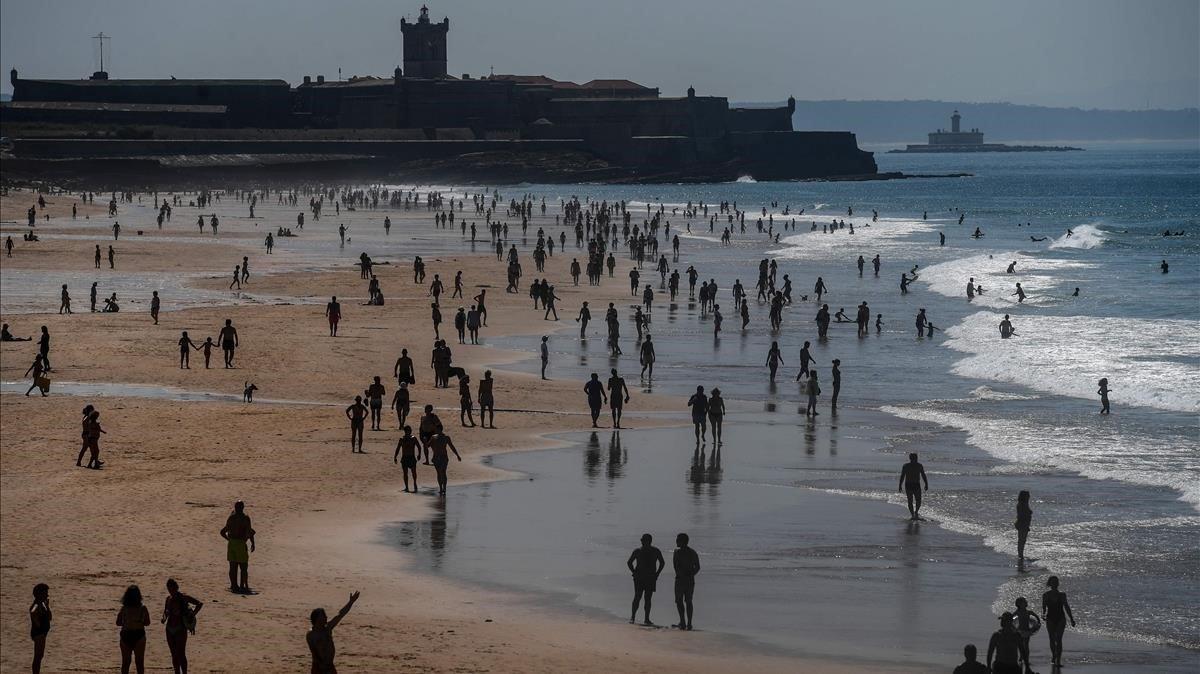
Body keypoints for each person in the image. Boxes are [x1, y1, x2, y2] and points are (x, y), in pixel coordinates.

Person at [307, 591, 361, 674]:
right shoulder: (311, 634)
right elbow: (315, 652)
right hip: (319, 668)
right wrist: (322, 666)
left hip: (330, 666)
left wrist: (350, 602)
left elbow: (340, 614)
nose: (326, 617)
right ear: (317, 619)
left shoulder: (327, 628)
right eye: (324, 616)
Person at [162, 578, 203, 674]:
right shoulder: (168, 599)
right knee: (173, 654)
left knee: (181, 653)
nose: (171, 591)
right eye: (169, 589)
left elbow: (199, 604)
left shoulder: (184, 597)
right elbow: (165, 612)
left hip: (180, 628)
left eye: (172, 589)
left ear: (176, 588)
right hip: (169, 628)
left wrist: (192, 615)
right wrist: (164, 618)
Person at [626, 534, 665, 626]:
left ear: (649, 541)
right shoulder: (638, 551)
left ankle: (646, 619)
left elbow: (662, 562)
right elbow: (629, 562)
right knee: (637, 597)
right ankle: (633, 617)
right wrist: (634, 572)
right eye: (642, 540)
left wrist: (657, 573)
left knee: (648, 599)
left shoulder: (655, 551)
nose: (642, 542)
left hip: (650, 578)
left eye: (643, 540)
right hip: (640, 577)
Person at [219, 501, 256, 594]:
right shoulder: (245, 518)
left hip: (232, 543)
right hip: (241, 543)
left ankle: (234, 586)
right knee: (243, 566)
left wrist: (229, 540)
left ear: (235, 507)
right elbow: (249, 531)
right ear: (243, 507)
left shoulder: (231, 518)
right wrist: (252, 542)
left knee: (233, 566)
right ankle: (243, 586)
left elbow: (222, 532)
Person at [1042, 576, 1076, 667]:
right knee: (1052, 639)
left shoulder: (1062, 595)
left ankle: (1058, 660)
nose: (1055, 583)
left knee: (1059, 639)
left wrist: (1071, 619)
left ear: (1058, 583)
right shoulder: (1046, 595)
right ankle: (1054, 655)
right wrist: (1043, 615)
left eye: (1056, 581)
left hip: (1061, 618)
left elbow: (1066, 607)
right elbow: (1044, 608)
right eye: (1053, 582)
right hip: (1050, 618)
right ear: (1050, 583)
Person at [117, 585, 151, 674]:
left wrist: (127, 621)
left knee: (125, 663)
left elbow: (118, 622)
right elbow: (147, 623)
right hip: (139, 634)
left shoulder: (124, 608)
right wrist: (139, 621)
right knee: (139, 663)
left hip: (126, 634)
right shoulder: (143, 608)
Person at [672, 533, 700, 630]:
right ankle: (688, 623)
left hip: (680, 580)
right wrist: (691, 574)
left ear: (682, 541)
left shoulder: (677, 552)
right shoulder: (692, 552)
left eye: (678, 539)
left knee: (679, 601)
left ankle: (683, 622)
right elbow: (697, 567)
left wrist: (682, 574)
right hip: (689, 580)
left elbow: (676, 566)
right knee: (688, 601)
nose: (676, 541)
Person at [898, 453, 929, 520]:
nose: (915, 459)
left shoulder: (917, 466)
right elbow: (902, 476)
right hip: (911, 485)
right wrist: (900, 485)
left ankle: (915, 513)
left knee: (917, 501)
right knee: (911, 501)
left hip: (913, 484)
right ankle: (913, 515)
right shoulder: (908, 466)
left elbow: (923, 475)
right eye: (915, 458)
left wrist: (926, 484)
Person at [30, 583, 51, 674]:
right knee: (38, 656)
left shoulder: (43, 604)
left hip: (42, 633)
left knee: (40, 656)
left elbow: (50, 617)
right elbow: (32, 611)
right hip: (38, 633)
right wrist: (37, 623)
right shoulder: (36, 604)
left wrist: (47, 606)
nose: (47, 595)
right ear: (39, 594)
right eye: (45, 593)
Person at [393, 426, 420, 492]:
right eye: (407, 430)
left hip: (411, 457)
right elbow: (398, 448)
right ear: (405, 431)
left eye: (409, 430)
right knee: (405, 473)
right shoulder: (402, 439)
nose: (408, 432)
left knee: (414, 472)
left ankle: (415, 483)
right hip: (404, 457)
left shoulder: (413, 438)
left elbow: (419, 446)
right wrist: (395, 457)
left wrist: (419, 454)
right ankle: (407, 487)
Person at [1015, 490, 1033, 563]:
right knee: (1022, 540)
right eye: (1028, 495)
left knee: (1022, 540)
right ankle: (1020, 555)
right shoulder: (1022, 505)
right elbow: (1022, 515)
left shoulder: (1023, 504)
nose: (1029, 497)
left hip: (1023, 524)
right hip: (1022, 524)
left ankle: (1020, 555)